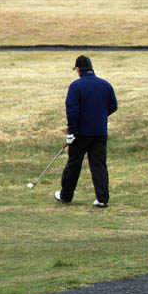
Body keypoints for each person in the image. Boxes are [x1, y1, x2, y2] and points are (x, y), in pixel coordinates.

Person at [54, 55, 117, 208]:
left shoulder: (76, 86)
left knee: (74, 164)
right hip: (100, 132)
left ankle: (66, 196)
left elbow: (72, 110)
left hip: (80, 133)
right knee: (99, 165)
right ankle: (102, 199)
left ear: (79, 69)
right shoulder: (105, 84)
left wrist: (71, 132)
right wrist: (99, 117)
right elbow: (113, 106)